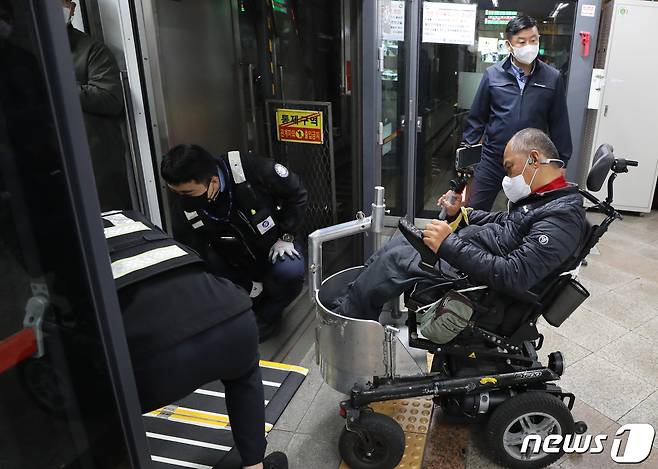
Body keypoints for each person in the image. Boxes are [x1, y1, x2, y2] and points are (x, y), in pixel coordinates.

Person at [333, 129, 587, 335]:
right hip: (469, 255)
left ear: (533, 159)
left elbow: (515, 275)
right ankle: (348, 306)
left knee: (395, 259)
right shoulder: (546, 198)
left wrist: (449, 245)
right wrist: (460, 214)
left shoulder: (561, 218)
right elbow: (504, 221)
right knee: (400, 240)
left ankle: (349, 325)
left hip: (475, 281)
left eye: (509, 168)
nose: (507, 178)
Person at [104, 210, 288, 469]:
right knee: (244, 376)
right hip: (231, 317)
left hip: (155, 354)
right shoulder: (127, 216)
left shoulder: (68, 240)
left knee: (97, 408)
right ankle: (254, 466)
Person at [161, 145, 308, 341]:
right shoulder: (186, 210)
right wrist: (241, 285)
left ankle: (267, 316)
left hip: (276, 244)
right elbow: (194, 254)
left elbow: (297, 195)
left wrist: (287, 235)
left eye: (188, 192)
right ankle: (250, 301)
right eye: (176, 193)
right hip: (234, 259)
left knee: (289, 271)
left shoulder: (250, 168)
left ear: (213, 181)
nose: (182, 199)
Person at [462, 16, 572, 211]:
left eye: (534, 40)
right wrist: (469, 162)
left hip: (532, 163)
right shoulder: (493, 75)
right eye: (522, 42)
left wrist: (560, 163)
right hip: (492, 158)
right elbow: (477, 119)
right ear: (509, 44)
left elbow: (559, 123)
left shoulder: (552, 78)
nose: (529, 46)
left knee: (527, 215)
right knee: (474, 211)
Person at [62, 0, 131, 211]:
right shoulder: (25, 53)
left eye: (60, 4)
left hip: (94, 161)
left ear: (72, 8)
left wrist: (59, 87)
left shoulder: (91, 50)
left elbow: (110, 98)